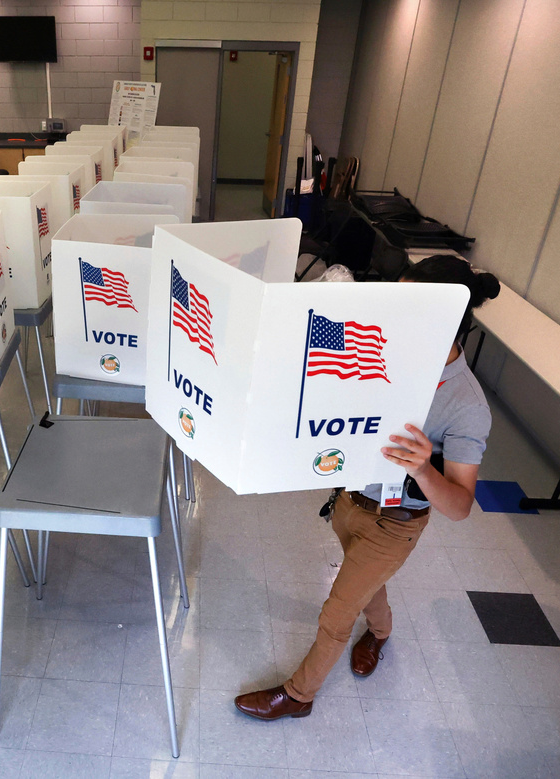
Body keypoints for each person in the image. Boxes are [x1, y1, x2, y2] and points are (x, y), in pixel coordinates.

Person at [234, 255, 501, 721]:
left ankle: (298, 696)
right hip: (348, 501)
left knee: (337, 614)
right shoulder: (386, 350)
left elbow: (460, 506)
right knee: (363, 585)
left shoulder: (466, 404)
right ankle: (379, 633)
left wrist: (423, 468)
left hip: (396, 523)